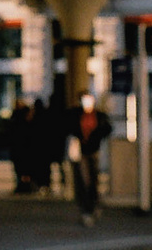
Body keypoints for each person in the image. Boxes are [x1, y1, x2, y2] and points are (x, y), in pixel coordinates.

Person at [65, 91, 111, 226]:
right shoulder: (76, 114)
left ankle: (92, 204)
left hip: (93, 151)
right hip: (81, 152)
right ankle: (87, 208)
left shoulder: (99, 116)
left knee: (93, 180)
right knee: (84, 180)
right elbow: (69, 127)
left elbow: (106, 128)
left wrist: (96, 137)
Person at [7, 100, 33, 194]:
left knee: (20, 168)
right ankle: (25, 185)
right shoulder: (25, 120)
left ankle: (22, 185)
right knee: (24, 167)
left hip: (18, 147)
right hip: (22, 146)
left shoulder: (16, 119)